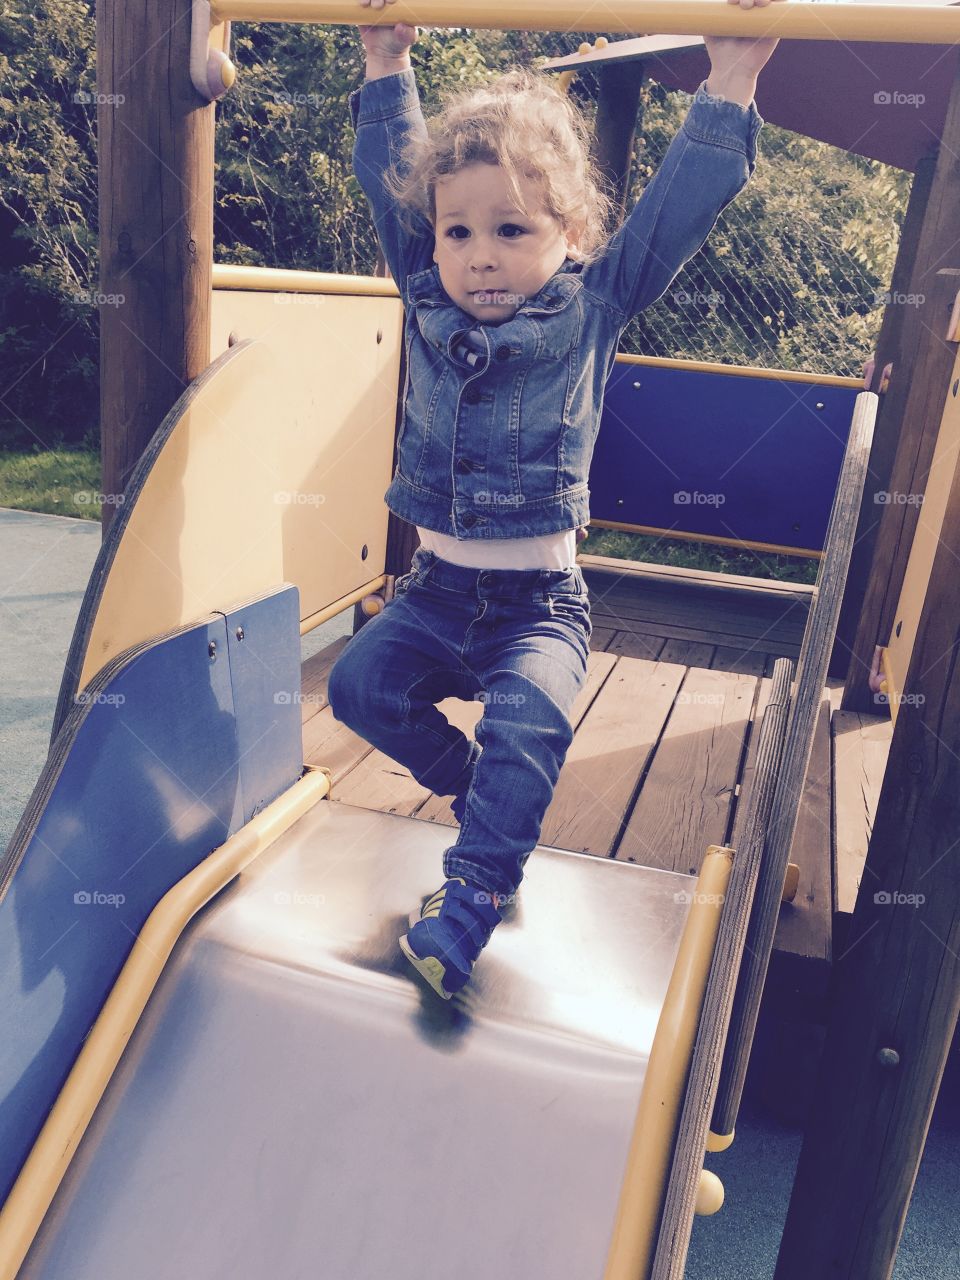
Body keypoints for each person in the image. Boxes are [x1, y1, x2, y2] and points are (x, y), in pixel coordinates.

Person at [328, 0, 783, 999]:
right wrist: (383, 60)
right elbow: (391, 181)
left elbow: (677, 207)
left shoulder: (593, 303)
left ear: (568, 233)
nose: (478, 253)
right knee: (357, 687)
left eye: (509, 229)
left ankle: (469, 907)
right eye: (458, 230)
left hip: (539, 604)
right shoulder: (427, 287)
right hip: (434, 590)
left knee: (530, 726)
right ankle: (463, 783)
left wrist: (733, 81)